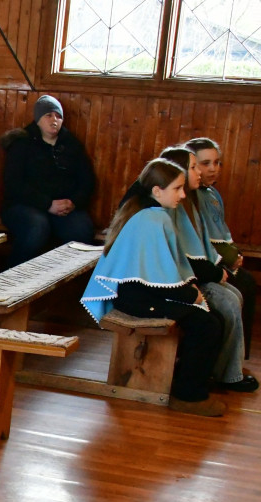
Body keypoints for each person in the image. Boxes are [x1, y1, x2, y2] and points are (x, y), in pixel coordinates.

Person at [81, 159, 224, 416]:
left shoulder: (152, 213)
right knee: (207, 325)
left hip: (143, 292)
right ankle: (188, 396)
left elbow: (166, 269)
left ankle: (184, 379)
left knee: (210, 320)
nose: (182, 194)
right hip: (135, 298)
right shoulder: (151, 219)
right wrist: (191, 295)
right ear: (157, 191)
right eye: (177, 188)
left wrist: (190, 291)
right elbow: (158, 279)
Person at [156, 146, 255, 393]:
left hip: (191, 275)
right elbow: (181, 258)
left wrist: (218, 267)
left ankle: (224, 368)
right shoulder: (170, 206)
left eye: (214, 163)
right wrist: (215, 272)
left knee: (236, 294)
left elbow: (201, 246)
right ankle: (225, 375)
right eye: (196, 166)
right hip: (178, 281)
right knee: (227, 302)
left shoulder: (193, 199)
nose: (201, 172)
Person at [1, 94, 96, 266]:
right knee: (36, 228)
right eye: (48, 115)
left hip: (65, 207)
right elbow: (14, 184)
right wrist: (47, 204)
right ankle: (13, 275)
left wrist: (73, 202)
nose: (54, 120)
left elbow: (87, 180)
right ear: (38, 119)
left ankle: (67, 283)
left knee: (82, 229)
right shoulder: (22, 143)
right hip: (26, 205)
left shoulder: (71, 144)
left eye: (58, 116)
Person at [185, 136, 257, 357]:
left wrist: (236, 254)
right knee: (242, 285)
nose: (213, 169)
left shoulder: (212, 193)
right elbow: (204, 239)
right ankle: (225, 360)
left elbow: (221, 231)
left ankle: (238, 355)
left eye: (217, 163)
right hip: (202, 265)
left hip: (216, 261)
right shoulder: (190, 196)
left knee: (247, 283)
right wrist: (227, 259)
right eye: (205, 163)